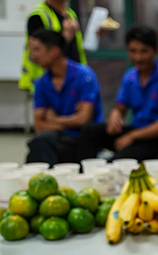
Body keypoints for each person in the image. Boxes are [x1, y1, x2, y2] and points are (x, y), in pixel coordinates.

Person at [78, 25, 158, 162]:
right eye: (133, 51)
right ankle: (86, 171)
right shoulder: (129, 77)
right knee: (90, 131)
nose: (138, 57)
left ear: (156, 51)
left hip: (157, 138)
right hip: (135, 130)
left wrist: (133, 136)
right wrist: (115, 117)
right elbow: (120, 107)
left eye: (144, 51)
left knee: (116, 162)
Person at [26, 30, 103, 166]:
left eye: (37, 50)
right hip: (58, 136)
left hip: (83, 136)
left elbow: (83, 119)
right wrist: (69, 122)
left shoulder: (84, 76)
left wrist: (54, 119)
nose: (33, 56)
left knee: (56, 148)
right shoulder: (41, 82)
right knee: (39, 140)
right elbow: (39, 125)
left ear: (55, 51)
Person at [20, 0, 86, 94]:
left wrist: (94, 37)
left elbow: (74, 52)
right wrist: (65, 37)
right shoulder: (38, 16)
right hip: (48, 90)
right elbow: (38, 56)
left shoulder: (70, 14)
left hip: (73, 86)